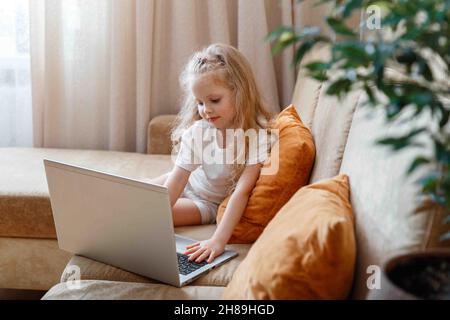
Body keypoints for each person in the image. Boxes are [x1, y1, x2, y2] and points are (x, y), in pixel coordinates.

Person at [150, 43, 274, 263]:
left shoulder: (258, 137)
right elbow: (178, 180)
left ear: (240, 93)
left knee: (151, 217)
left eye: (214, 101)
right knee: (131, 197)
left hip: (206, 203)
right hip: (188, 184)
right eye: (199, 102)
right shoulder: (199, 131)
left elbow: (242, 192)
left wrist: (218, 240)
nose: (205, 110)